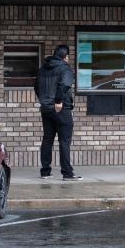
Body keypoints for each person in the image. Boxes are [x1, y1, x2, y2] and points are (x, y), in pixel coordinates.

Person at [36, 45, 81, 181]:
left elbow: (36, 86)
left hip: (46, 109)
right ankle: (67, 173)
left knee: (47, 139)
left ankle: (45, 171)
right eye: (68, 56)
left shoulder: (43, 69)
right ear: (65, 56)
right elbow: (65, 85)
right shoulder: (65, 68)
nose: (68, 58)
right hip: (61, 109)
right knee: (65, 141)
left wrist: (44, 101)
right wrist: (58, 101)